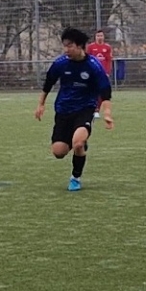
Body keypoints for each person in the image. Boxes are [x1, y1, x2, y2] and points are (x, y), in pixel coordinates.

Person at [36, 27, 114, 191]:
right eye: (64, 46)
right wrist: (41, 104)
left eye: (69, 46)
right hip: (63, 110)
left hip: (85, 109)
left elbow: (105, 90)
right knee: (58, 152)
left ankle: (75, 178)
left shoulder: (93, 65)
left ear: (80, 46)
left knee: (77, 143)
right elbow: (48, 83)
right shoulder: (60, 63)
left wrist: (107, 113)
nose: (66, 50)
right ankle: (79, 143)